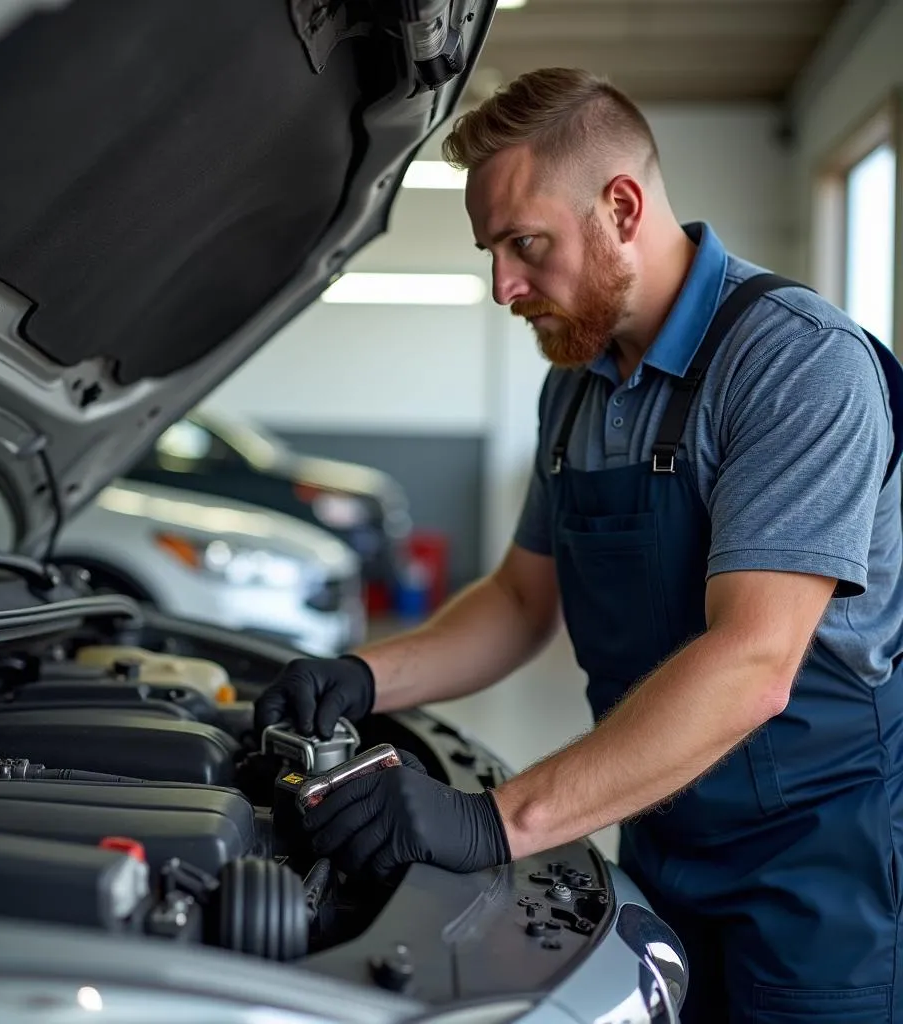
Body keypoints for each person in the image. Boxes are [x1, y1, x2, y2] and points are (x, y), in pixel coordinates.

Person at [254, 67, 903, 1021]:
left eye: (525, 245)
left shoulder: (797, 365)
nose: (503, 285)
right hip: (653, 828)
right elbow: (521, 601)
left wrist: (490, 823)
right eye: (492, 252)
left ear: (622, 206)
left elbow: (754, 661)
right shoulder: (578, 386)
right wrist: (362, 674)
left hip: (817, 869)